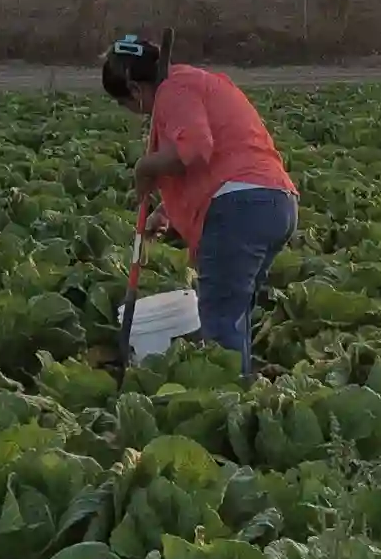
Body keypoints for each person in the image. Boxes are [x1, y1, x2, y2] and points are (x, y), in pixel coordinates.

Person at [100, 34, 298, 375]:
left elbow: (195, 147)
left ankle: (228, 407)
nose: (134, 112)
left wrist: (144, 168)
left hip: (239, 208)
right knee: (233, 314)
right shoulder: (193, 82)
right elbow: (215, 162)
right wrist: (166, 211)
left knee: (220, 321)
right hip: (275, 203)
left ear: (134, 89)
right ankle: (243, 395)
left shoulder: (172, 91)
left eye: (126, 103)